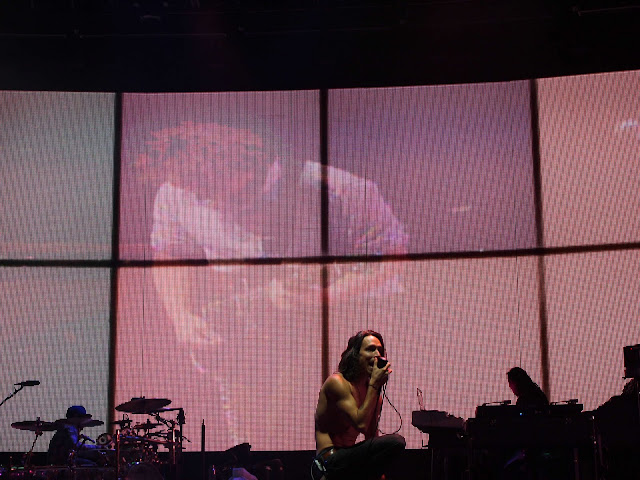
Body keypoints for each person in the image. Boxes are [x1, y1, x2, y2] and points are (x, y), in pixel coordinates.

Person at [314, 330, 405, 479]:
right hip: (329, 461)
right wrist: (374, 385)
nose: (377, 354)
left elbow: (371, 437)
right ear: (355, 355)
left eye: (380, 350)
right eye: (371, 349)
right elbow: (360, 424)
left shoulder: (373, 394)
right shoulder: (337, 383)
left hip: (351, 460)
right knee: (395, 442)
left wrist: (379, 474)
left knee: (393, 447)